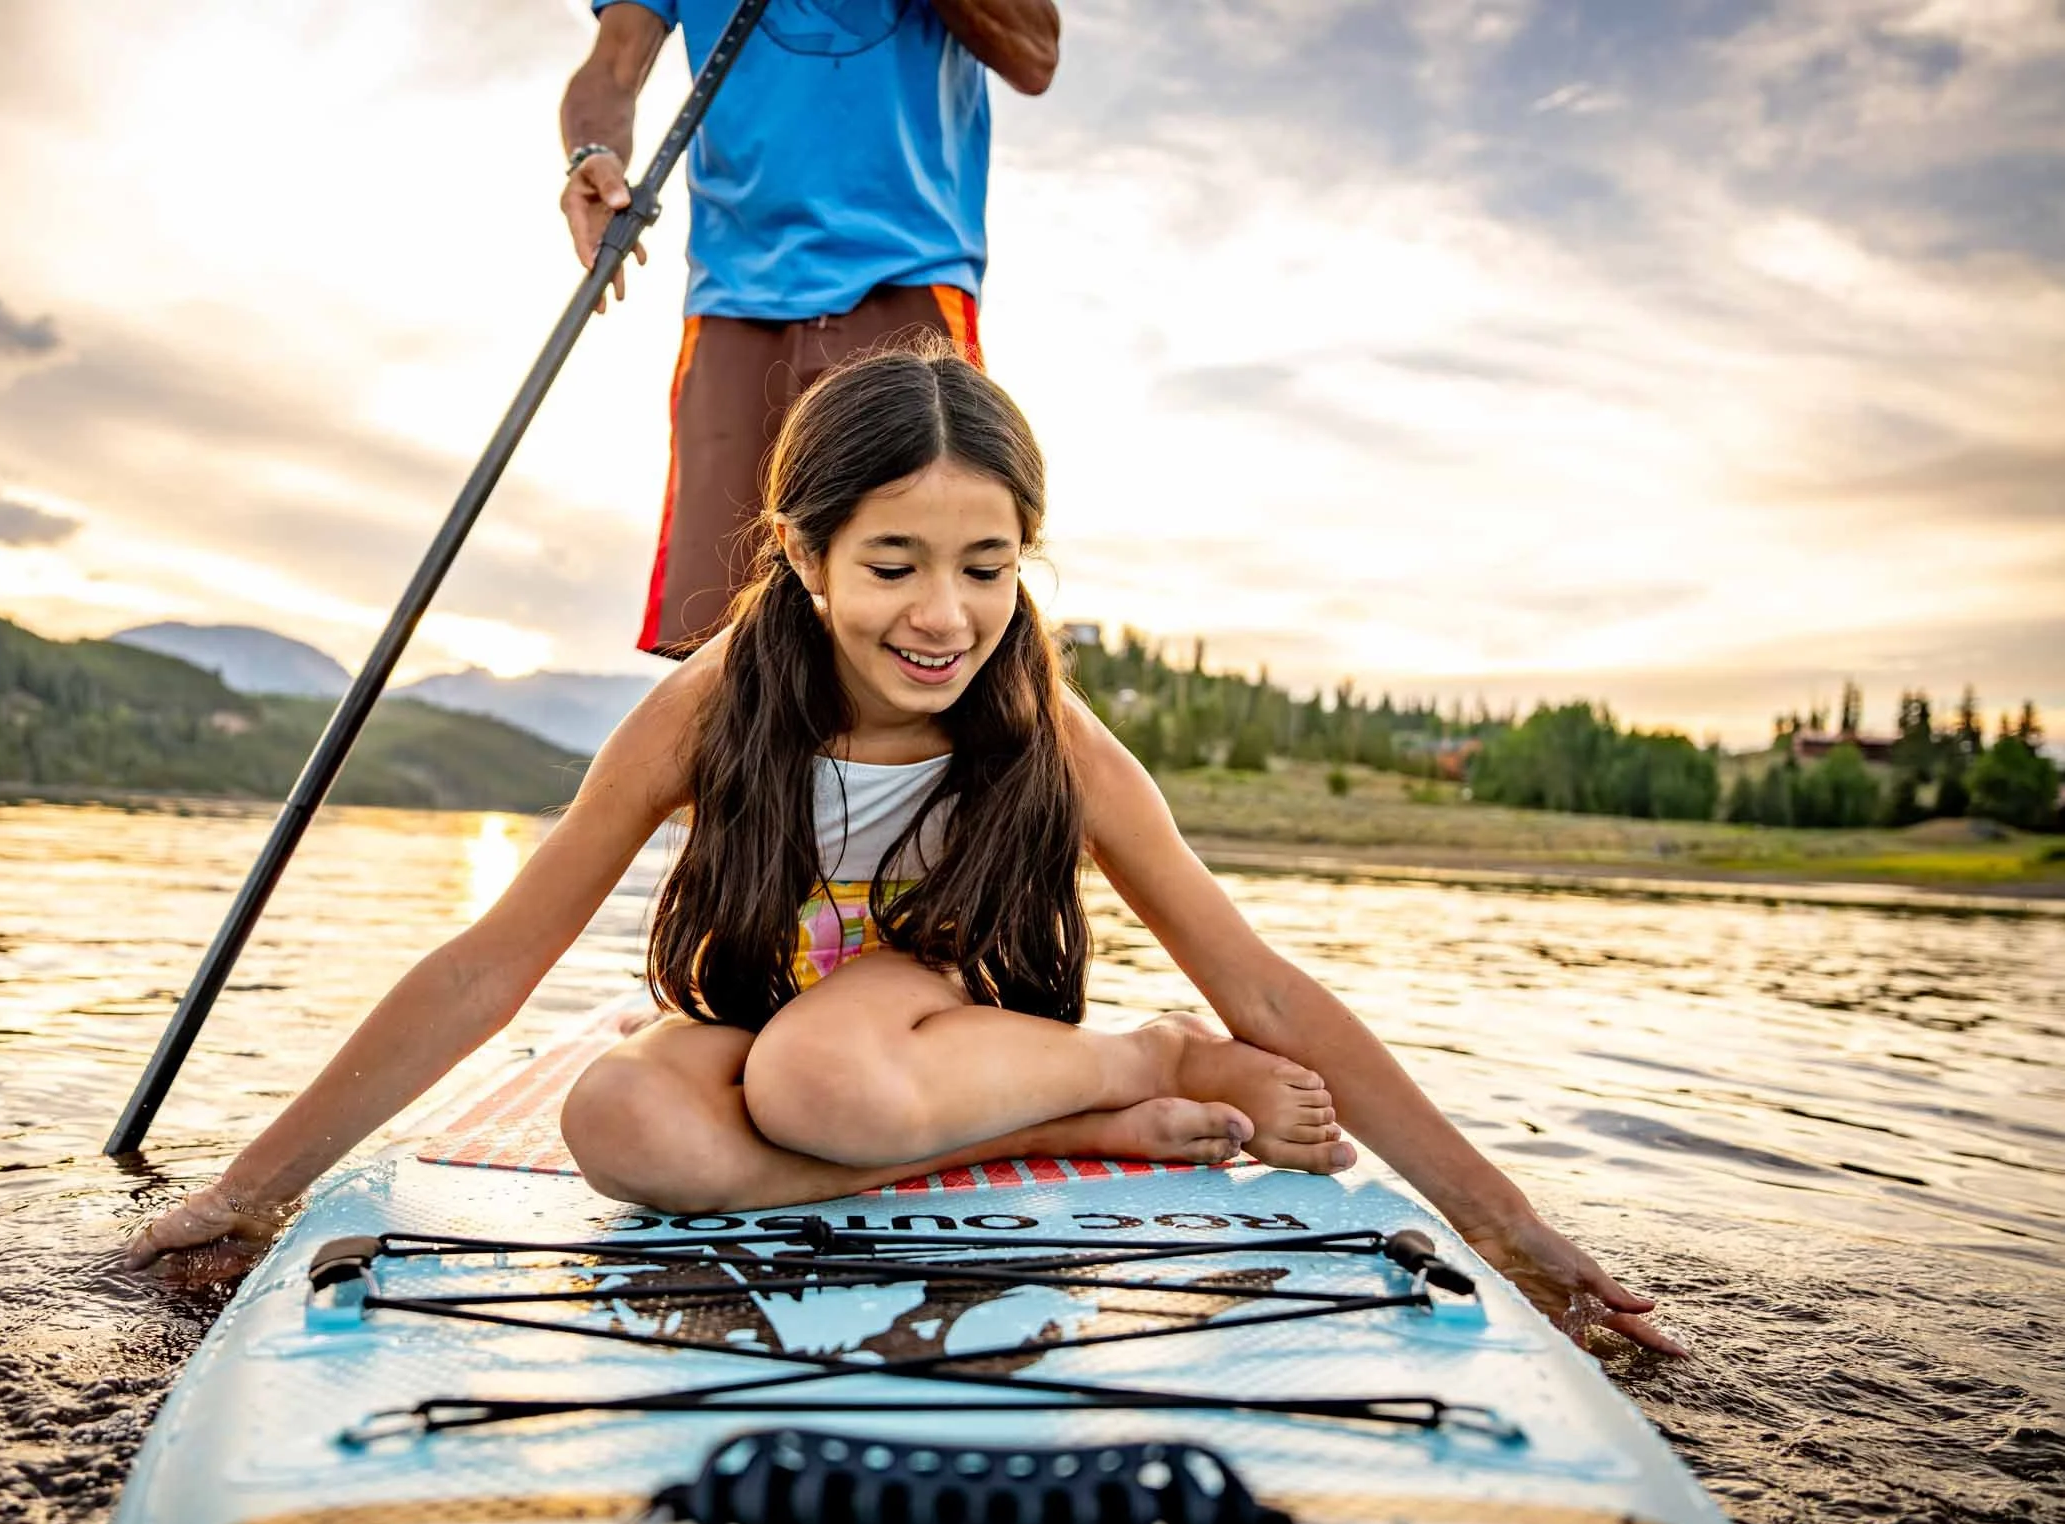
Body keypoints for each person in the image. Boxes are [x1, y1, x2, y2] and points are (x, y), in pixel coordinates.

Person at [127, 344, 1682, 1358]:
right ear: (804, 556)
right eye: (892, 563)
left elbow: (1262, 984)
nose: (944, 615)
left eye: (986, 566)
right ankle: (1111, 1119)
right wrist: (252, 1191)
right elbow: (490, 963)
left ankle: (1143, 1055)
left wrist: (1508, 1225)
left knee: (822, 1076)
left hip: (938, 1024)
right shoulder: (707, 707)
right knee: (617, 1118)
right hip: (766, 1028)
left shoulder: (1046, 730)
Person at [558, 0, 1060, 654]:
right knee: (716, 621)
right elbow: (612, 67)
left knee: (932, 590)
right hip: (735, 290)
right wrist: (592, 153)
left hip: (908, 272)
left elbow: (1034, 53)